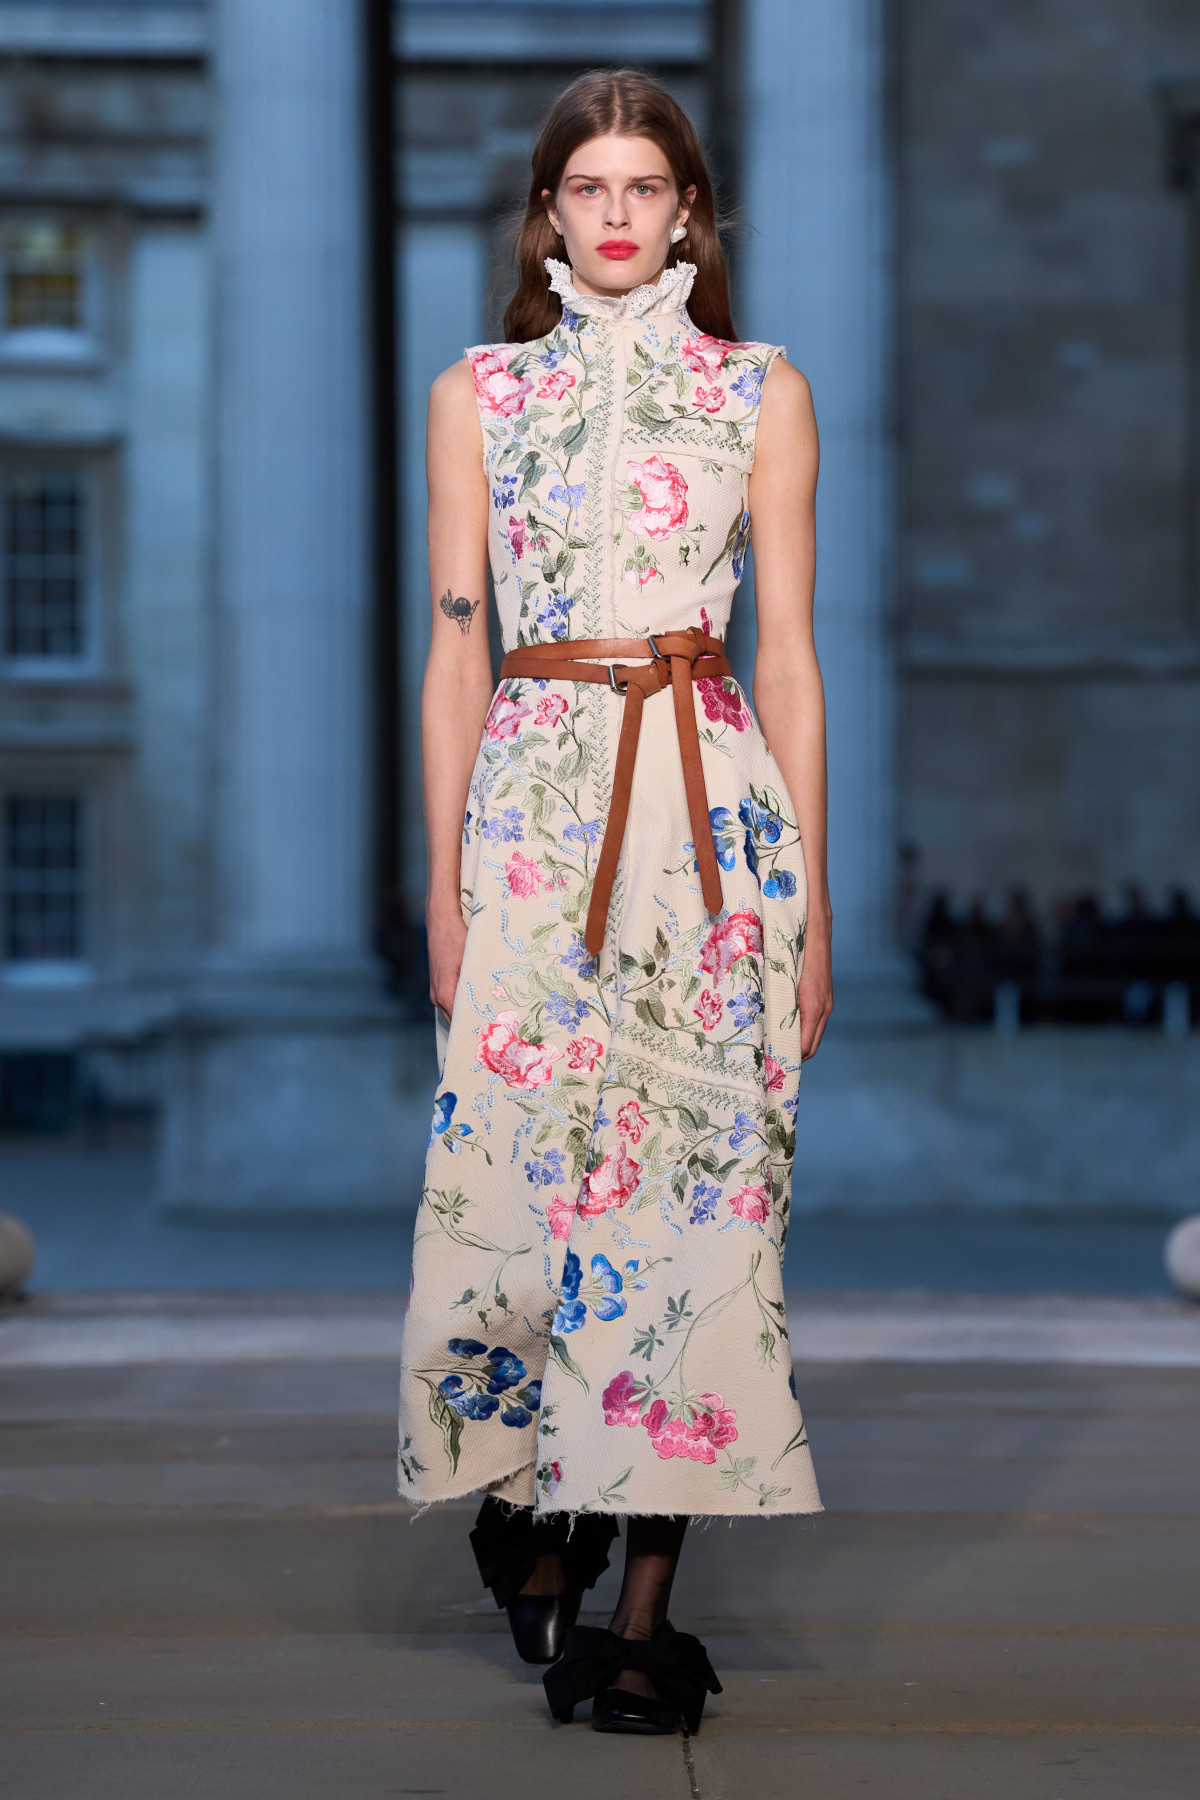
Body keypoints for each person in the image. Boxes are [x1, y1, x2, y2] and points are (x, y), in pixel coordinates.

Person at [396, 68, 833, 1737]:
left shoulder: (760, 390)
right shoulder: (478, 396)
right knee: (513, 1198)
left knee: (701, 1212)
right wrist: (444, 892)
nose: (620, 214)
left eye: (648, 186)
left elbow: (789, 660)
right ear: (548, 217)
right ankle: (530, 1501)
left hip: (709, 815)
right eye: (591, 188)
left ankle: (642, 1615)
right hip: (532, 822)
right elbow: (456, 653)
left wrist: (813, 906)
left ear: (689, 212)